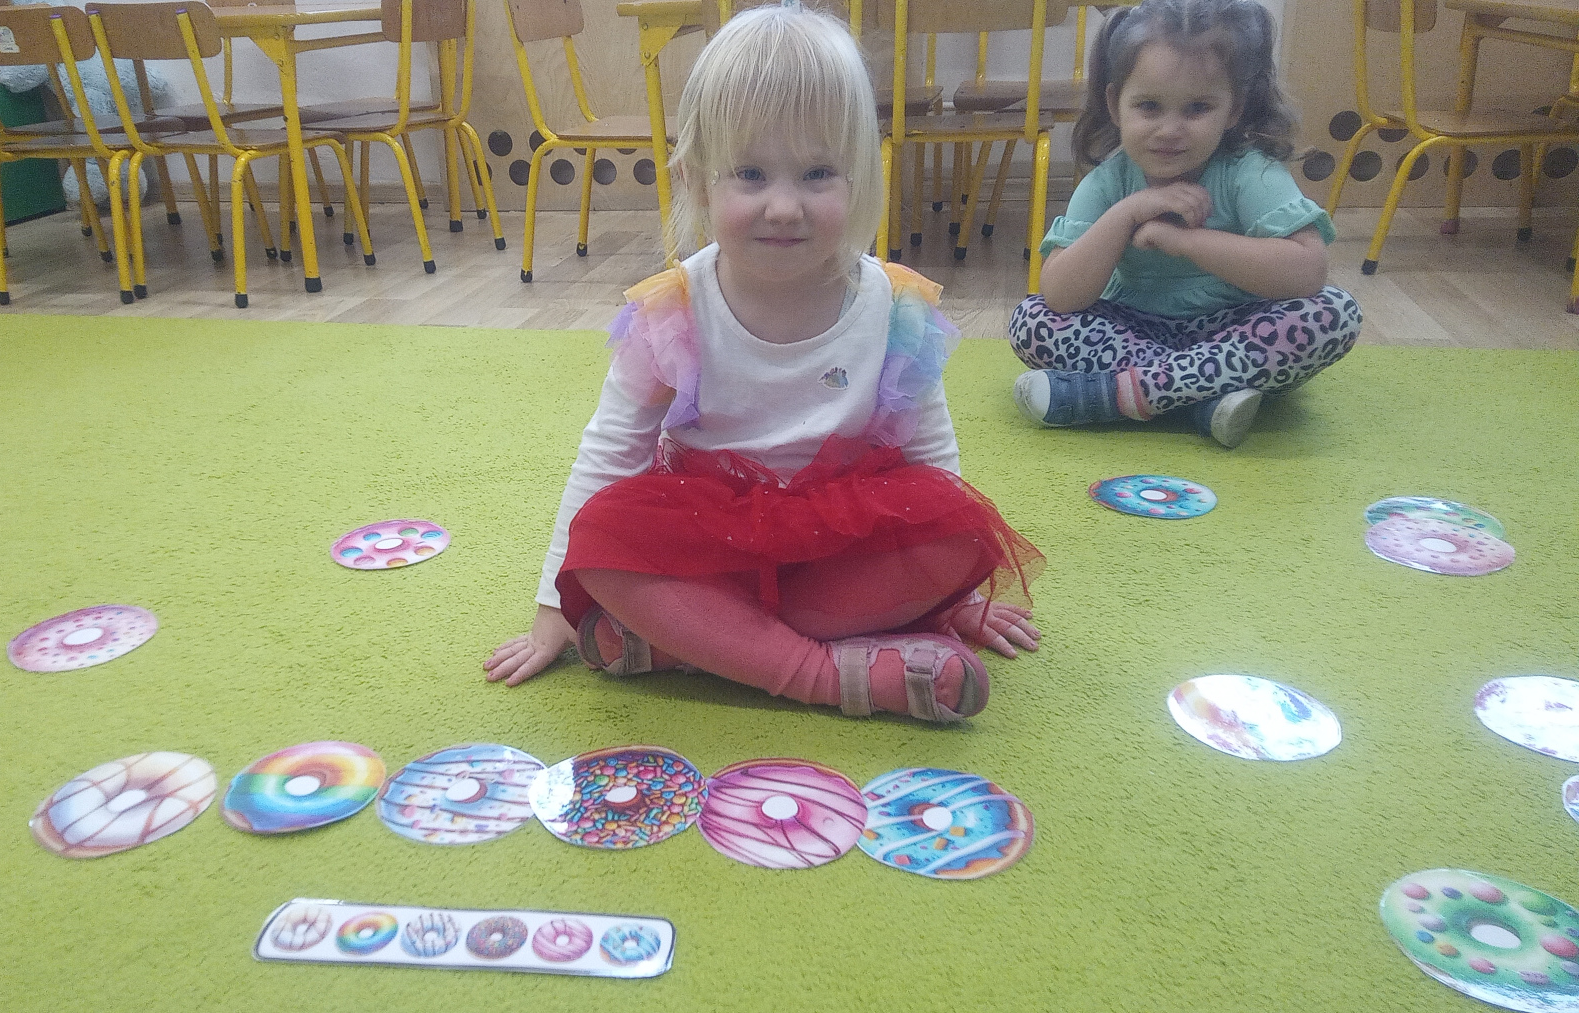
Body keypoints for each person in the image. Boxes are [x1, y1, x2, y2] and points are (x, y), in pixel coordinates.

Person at [483, 5, 1043, 724]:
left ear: (860, 177)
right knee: (601, 543)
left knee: (957, 529)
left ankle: (697, 643)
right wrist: (551, 610)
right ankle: (820, 673)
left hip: (842, 549)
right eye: (750, 174)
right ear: (697, 182)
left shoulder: (895, 307)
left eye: (817, 174)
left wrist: (953, 597)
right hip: (707, 542)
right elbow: (609, 453)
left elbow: (932, 460)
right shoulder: (673, 312)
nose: (784, 206)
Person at [1008, 0, 1361, 449]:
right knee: (1032, 319)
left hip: (1235, 332)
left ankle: (1121, 394)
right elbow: (1059, 294)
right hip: (1131, 331)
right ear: (1116, 104)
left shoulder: (1250, 172)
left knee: (1333, 313)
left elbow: (1308, 272)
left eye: (1197, 108)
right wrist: (1127, 213)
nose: (1170, 129)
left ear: (1233, 109)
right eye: (1149, 106)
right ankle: (1201, 399)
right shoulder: (1107, 183)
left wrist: (1185, 241)